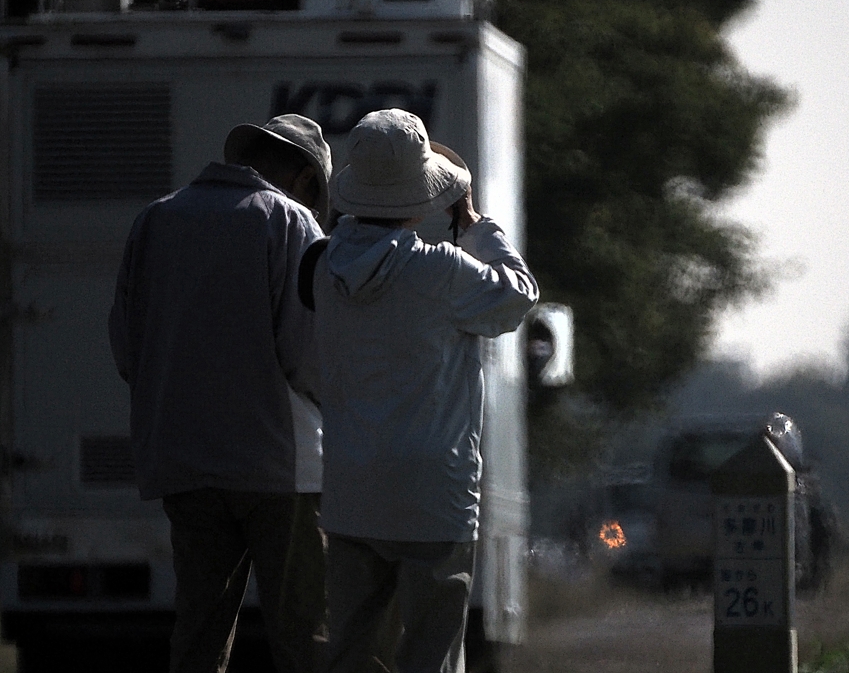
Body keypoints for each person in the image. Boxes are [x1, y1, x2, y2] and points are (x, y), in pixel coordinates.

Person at [308, 108, 539, 673]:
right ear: (420, 193)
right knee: (431, 652)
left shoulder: (319, 267)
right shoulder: (442, 270)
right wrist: (478, 226)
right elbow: (520, 295)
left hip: (350, 483)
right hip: (433, 493)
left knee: (349, 649)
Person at [108, 114, 332, 673]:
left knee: (200, 632)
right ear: (305, 176)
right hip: (279, 468)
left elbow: (125, 346)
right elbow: (305, 355)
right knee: (304, 632)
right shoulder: (288, 220)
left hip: (184, 460)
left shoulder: (155, 219)